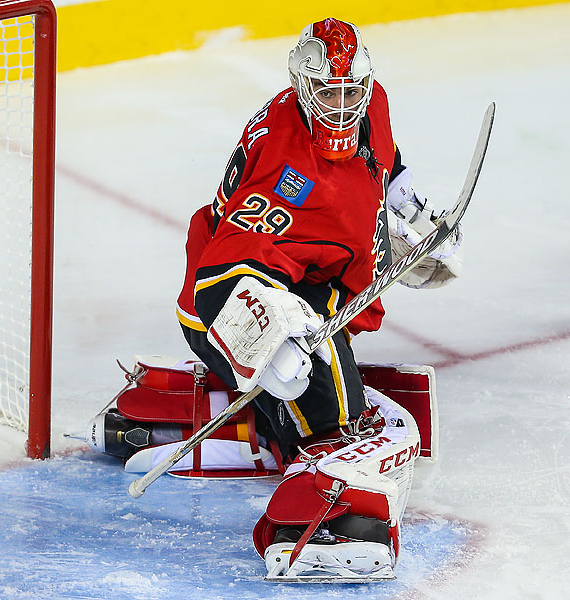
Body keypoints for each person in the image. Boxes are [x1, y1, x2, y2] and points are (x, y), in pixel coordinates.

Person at [169, 17, 461, 579]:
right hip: (239, 307)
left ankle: (270, 419)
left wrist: (414, 218)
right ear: (303, 88)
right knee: (338, 424)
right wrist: (267, 336)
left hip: (312, 281)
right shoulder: (284, 173)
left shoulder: (370, 101)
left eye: (352, 91)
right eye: (329, 92)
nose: (343, 104)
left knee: (329, 393)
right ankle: (317, 520)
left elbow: (385, 164)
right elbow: (220, 279)